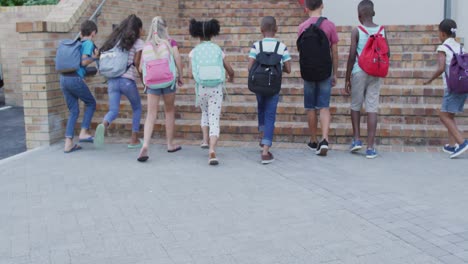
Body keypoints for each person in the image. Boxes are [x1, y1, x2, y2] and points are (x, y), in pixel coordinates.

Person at [344, 0, 390, 159]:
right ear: (374, 13)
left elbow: (351, 56)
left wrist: (347, 78)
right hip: (375, 72)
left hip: (359, 71)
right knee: (372, 107)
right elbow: (387, 53)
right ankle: (370, 148)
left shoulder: (357, 30)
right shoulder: (382, 30)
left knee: (356, 105)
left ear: (359, 16)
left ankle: (357, 140)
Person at [189, 18, 235, 165]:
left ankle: (204, 140)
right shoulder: (217, 49)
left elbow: (191, 74)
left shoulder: (194, 52)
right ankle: (212, 151)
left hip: (201, 88)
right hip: (216, 88)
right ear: (212, 34)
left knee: (205, 113)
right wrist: (231, 77)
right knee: (214, 118)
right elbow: (230, 69)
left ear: (198, 35)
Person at [137, 17, 184, 162]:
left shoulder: (147, 45)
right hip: (168, 82)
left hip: (152, 84)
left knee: (151, 114)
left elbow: (140, 68)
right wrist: (180, 76)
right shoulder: (170, 42)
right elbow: (177, 59)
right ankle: (170, 144)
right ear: (166, 27)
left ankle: (145, 145)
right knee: (169, 111)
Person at [94, 15, 144, 149]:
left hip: (112, 81)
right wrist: (143, 80)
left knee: (113, 110)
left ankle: (104, 124)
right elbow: (137, 62)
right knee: (137, 108)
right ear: (137, 28)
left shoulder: (114, 40)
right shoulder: (138, 42)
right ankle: (134, 139)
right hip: (127, 81)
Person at [248, 16, 291, 164]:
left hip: (259, 85)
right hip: (273, 85)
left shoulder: (256, 46)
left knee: (261, 109)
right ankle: (266, 152)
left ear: (261, 30)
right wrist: (278, 67)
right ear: (276, 29)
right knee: (270, 115)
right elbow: (289, 69)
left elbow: (249, 67)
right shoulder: (281, 47)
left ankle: (263, 136)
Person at [298, 0, 339, 156]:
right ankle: (324, 139)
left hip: (308, 71)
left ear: (306, 8)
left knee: (310, 107)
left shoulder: (302, 27)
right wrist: (335, 73)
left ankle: (313, 140)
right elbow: (334, 52)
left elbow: (301, 51)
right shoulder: (330, 26)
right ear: (322, 6)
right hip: (324, 71)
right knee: (324, 106)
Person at [424, 19, 468, 159]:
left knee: (443, 115)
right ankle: (451, 145)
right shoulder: (461, 47)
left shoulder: (442, 48)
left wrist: (430, 79)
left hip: (452, 87)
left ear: (442, 34)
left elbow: (441, 68)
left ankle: (461, 143)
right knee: (450, 115)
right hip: (463, 86)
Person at [60, 20, 99, 153]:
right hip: (75, 79)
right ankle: (83, 133)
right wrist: (94, 57)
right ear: (93, 33)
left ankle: (68, 144)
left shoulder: (76, 43)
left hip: (64, 79)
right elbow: (83, 62)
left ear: (81, 32)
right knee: (91, 103)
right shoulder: (88, 43)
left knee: (74, 111)